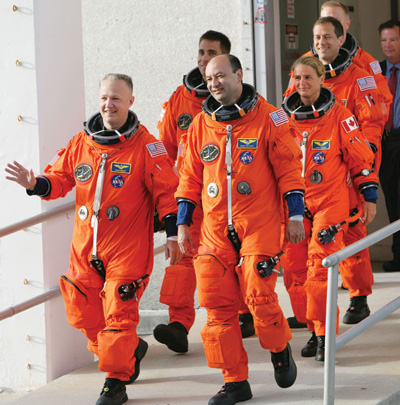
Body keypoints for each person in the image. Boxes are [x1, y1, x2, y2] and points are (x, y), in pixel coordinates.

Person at [5, 74, 181, 405]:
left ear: (130, 102)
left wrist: (172, 235)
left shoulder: (147, 146)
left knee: (118, 314)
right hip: (86, 248)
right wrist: (34, 182)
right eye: (103, 97)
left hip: (127, 249)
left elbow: (167, 194)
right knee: (79, 310)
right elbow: (58, 180)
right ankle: (130, 350)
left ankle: (115, 383)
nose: (108, 104)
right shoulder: (82, 143)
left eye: (116, 98)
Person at [176, 54, 306, 405]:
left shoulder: (270, 117)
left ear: (239, 74)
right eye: (209, 78)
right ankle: (235, 381)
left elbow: (289, 170)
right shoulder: (200, 124)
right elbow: (189, 177)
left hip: (258, 223)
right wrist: (182, 222)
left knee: (259, 296)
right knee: (217, 308)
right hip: (216, 230)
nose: (214, 83)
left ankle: (279, 348)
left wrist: (295, 216)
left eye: (220, 76)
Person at [155, 30, 254, 354]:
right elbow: (164, 151)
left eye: (211, 53)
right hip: (188, 195)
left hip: (227, 200)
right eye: (201, 52)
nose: (203, 58)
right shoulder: (179, 100)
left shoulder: (244, 104)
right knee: (181, 258)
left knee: (230, 259)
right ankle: (178, 326)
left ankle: (244, 313)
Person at [285, 17, 387, 326]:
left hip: (346, 168)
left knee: (352, 236)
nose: (321, 42)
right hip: (311, 177)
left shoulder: (360, 76)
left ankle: (358, 295)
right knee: (300, 256)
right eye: (316, 37)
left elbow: (371, 125)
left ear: (341, 39)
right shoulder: (302, 74)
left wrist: (360, 167)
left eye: (327, 36)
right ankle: (311, 315)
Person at [379, 20, 400, 272]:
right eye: (384, 40)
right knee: (392, 199)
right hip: (386, 142)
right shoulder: (376, 71)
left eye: (393, 40)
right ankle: (398, 255)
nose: (388, 45)